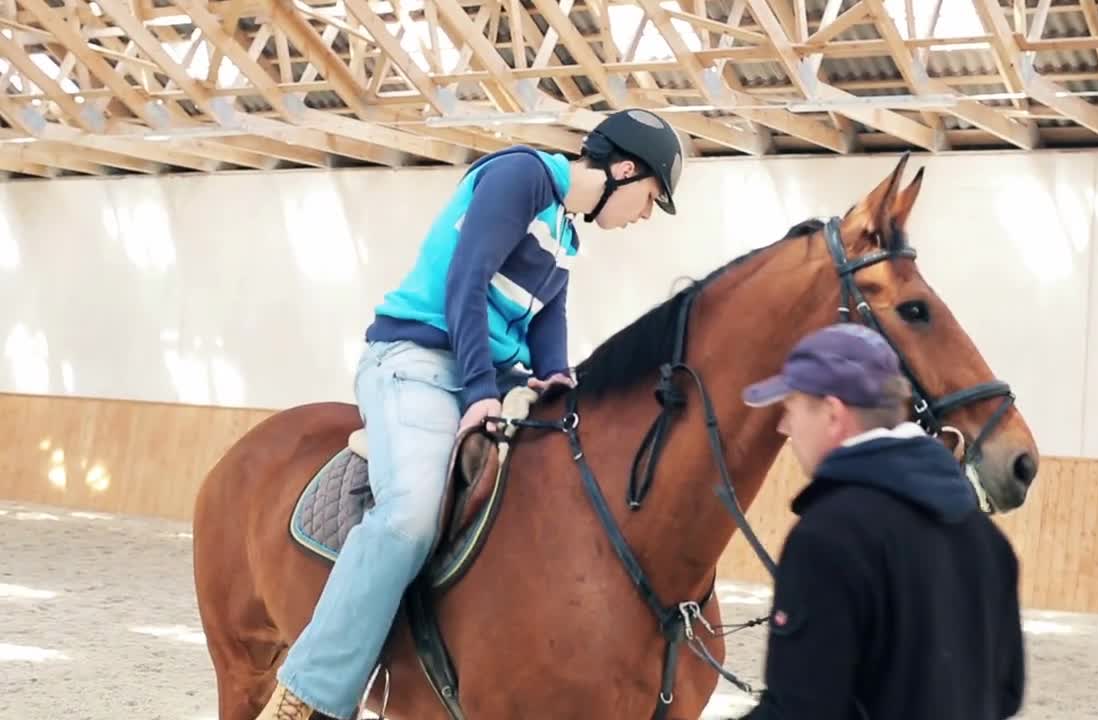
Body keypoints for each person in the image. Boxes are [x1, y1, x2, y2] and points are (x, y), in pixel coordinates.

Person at [255, 109, 686, 720]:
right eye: (650, 197)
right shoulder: (521, 176)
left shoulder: (565, 233)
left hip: (488, 375)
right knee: (408, 517)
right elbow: (466, 278)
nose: (645, 214)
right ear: (623, 169)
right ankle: (309, 693)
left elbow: (546, 320)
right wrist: (481, 391)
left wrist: (558, 377)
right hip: (417, 361)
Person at [734, 323, 1026, 720]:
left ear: (833, 413)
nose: (784, 427)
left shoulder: (828, 537)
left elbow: (801, 712)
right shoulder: (989, 542)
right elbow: (1006, 693)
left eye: (791, 409)